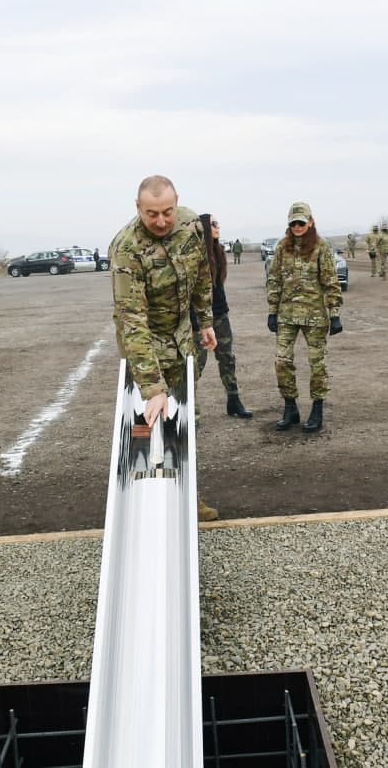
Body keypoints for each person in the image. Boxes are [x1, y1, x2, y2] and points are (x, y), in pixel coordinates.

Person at [110, 174, 219, 520]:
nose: (161, 221)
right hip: (146, 348)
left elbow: (203, 275)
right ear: (138, 208)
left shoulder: (191, 225)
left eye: (167, 212)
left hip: (182, 340)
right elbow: (132, 321)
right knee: (143, 426)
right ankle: (143, 504)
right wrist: (153, 388)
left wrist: (205, 321)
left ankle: (186, 497)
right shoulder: (126, 249)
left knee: (184, 422)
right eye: (152, 214)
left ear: (177, 204)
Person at [266, 202, 342, 433]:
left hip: (315, 316)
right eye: (293, 223)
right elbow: (274, 280)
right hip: (287, 315)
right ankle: (290, 407)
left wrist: (335, 314)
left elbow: (330, 281)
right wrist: (272, 311)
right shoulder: (282, 247)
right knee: (282, 361)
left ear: (310, 222)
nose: (297, 227)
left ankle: (317, 409)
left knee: (317, 364)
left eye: (301, 222)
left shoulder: (321, 246)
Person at [192, 215, 253, 420]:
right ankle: (190, 412)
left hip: (220, 315)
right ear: (204, 228)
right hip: (200, 319)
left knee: (227, 358)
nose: (218, 227)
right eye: (214, 224)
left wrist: (222, 310)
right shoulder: (195, 255)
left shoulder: (218, 252)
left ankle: (233, 400)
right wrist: (196, 320)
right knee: (196, 364)